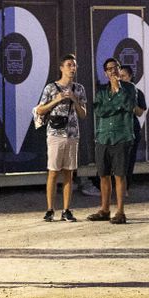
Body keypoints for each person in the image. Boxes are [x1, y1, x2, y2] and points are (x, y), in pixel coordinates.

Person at [37, 54, 87, 222]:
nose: (72, 68)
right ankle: (50, 209)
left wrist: (74, 99)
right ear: (61, 68)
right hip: (55, 134)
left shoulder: (79, 89)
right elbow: (40, 110)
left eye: (74, 65)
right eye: (69, 65)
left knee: (69, 173)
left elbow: (83, 114)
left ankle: (66, 210)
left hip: (72, 134)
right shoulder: (51, 88)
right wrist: (56, 100)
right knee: (53, 172)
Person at [89, 59, 137, 224]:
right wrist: (117, 106)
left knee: (120, 175)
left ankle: (120, 212)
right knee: (103, 175)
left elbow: (130, 105)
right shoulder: (101, 91)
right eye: (109, 69)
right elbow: (99, 111)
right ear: (105, 73)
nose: (113, 71)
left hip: (122, 137)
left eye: (115, 68)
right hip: (103, 137)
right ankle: (104, 209)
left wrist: (118, 89)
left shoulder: (130, 88)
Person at [118, 63, 147, 191]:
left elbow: (140, 112)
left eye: (123, 76)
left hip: (131, 130)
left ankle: (125, 189)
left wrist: (130, 104)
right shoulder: (112, 91)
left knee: (129, 162)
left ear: (130, 77)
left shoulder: (137, 92)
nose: (121, 79)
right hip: (116, 131)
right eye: (119, 76)